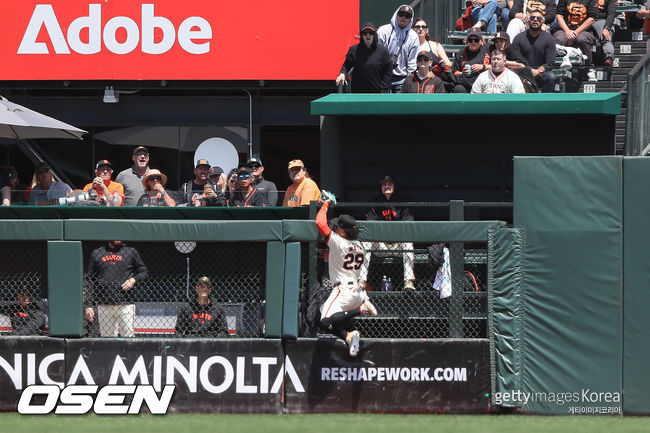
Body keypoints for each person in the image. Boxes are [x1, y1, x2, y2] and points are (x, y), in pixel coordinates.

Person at [316, 198, 378, 357]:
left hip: (342, 291)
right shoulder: (359, 245)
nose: (335, 228)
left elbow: (320, 223)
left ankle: (361, 310)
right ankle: (348, 336)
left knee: (324, 322)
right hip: (357, 292)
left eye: (337, 227)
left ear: (343, 231)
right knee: (327, 317)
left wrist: (325, 204)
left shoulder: (339, 242)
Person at [359, 176, 416, 292]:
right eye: (384, 184)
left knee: (408, 242)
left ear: (394, 186)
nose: (387, 186)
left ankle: (408, 281)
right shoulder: (375, 202)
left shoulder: (402, 202)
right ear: (381, 187)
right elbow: (370, 223)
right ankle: (361, 280)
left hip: (398, 246)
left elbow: (409, 222)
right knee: (365, 242)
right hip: (381, 246)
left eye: (390, 184)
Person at [84, 241, 148, 337]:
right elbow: (89, 280)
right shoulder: (97, 252)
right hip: (104, 304)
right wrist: (88, 305)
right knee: (107, 339)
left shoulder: (130, 251)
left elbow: (144, 272)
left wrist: (133, 279)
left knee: (128, 337)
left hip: (125, 304)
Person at [336, 22, 393, 93]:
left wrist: (384, 88)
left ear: (374, 35)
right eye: (365, 33)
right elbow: (346, 65)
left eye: (371, 33)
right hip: (358, 92)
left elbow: (388, 71)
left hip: (378, 92)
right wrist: (342, 74)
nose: (368, 35)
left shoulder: (383, 51)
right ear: (361, 35)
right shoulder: (354, 50)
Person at [512, 9, 558, 92]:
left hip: (541, 73)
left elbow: (550, 63)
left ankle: (545, 102)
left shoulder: (549, 39)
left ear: (543, 21)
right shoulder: (518, 38)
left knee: (551, 77)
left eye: (538, 18)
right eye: (532, 18)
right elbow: (517, 61)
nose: (535, 20)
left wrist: (538, 71)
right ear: (528, 20)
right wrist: (530, 71)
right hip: (523, 73)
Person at [377, 5, 420, 92]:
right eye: (401, 15)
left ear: (410, 19)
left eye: (407, 16)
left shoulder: (413, 36)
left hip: (402, 78)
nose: (403, 18)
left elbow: (412, 62)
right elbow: (377, 54)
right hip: (383, 76)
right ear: (396, 15)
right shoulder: (383, 31)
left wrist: (409, 81)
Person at [554, 0, 598, 67]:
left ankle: (588, 67)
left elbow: (591, 19)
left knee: (582, 39)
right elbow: (559, 15)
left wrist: (575, 33)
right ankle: (557, 66)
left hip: (584, 31)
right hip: (565, 29)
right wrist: (567, 31)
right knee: (559, 38)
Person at [450, 28, 491, 93]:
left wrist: (482, 67)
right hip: (466, 82)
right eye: (470, 40)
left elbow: (496, 66)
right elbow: (454, 72)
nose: (473, 42)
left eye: (476, 40)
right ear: (467, 41)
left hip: (484, 82)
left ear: (481, 40)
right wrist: (462, 73)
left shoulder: (488, 50)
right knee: (458, 89)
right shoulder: (461, 53)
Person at [593, 0, 617, 66]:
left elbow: (611, 14)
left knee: (605, 35)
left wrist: (606, 28)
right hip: (584, 20)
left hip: (600, 20)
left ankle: (609, 57)